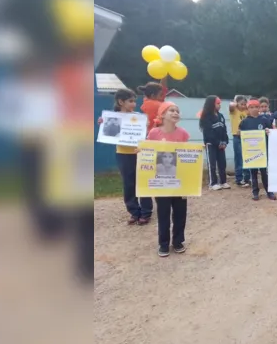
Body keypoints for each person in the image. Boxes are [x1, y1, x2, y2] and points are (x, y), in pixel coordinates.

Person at [97, 88, 153, 225]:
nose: (134, 104)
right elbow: (109, 132)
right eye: (131, 101)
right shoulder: (112, 117)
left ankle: (146, 212)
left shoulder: (139, 117)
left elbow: (145, 134)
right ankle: (134, 211)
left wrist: (145, 125)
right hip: (123, 154)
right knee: (128, 183)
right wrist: (102, 123)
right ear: (121, 102)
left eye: (134, 101)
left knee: (142, 182)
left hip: (139, 153)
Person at [147, 101, 191, 257]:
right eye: (171, 110)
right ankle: (163, 244)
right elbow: (148, 153)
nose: (175, 112)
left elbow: (188, 157)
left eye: (177, 110)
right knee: (163, 213)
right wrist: (141, 151)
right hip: (161, 181)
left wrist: (197, 153)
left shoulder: (183, 134)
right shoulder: (153, 133)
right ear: (162, 114)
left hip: (179, 181)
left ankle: (178, 241)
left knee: (180, 212)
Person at [240, 98, 276, 201]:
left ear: (259, 108)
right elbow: (241, 135)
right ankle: (255, 192)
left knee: (264, 172)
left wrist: (268, 132)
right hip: (251, 152)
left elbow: (271, 131)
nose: (254, 109)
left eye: (256, 107)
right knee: (253, 172)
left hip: (262, 151)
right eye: (251, 107)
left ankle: (269, 192)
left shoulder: (264, 120)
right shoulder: (244, 122)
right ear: (248, 109)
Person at [199, 95, 230, 190]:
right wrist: (218, 142)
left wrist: (225, 141)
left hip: (221, 145)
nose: (219, 105)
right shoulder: (206, 116)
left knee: (222, 163)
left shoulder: (221, 116)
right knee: (212, 163)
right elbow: (208, 133)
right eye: (218, 103)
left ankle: (223, 181)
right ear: (211, 104)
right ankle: (213, 183)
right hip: (211, 144)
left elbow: (224, 130)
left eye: (220, 103)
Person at [229, 95, 250, 187]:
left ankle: (247, 178)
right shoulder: (234, 111)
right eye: (241, 104)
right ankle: (239, 178)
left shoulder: (247, 112)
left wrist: (247, 104)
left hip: (246, 137)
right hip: (237, 137)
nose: (243, 106)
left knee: (247, 157)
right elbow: (231, 105)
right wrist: (235, 100)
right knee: (238, 158)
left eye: (245, 104)